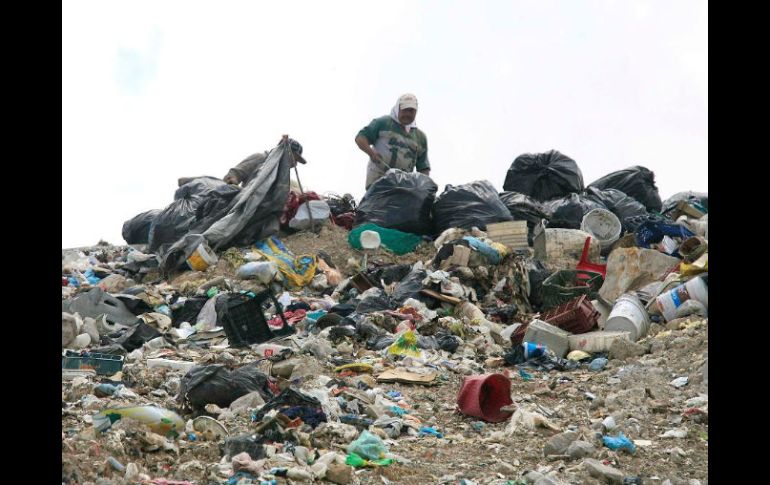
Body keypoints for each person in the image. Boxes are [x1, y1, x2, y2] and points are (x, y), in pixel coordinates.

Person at [355, 93, 430, 190]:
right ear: (398, 108)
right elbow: (360, 138)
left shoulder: (420, 137)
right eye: (405, 110)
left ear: (416, 112)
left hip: (403, 187)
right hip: (379, 181)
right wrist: (371, 153)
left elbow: (423, 167)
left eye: (411, 111)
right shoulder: (383, 123)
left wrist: (422, 187)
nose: (407, 114)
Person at [222, 136, 307, 186]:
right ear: (282, 152)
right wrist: (233, 183)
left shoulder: (282, 176)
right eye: (294, 159)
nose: (295, 164)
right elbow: (234, 174)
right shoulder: (260, 159)